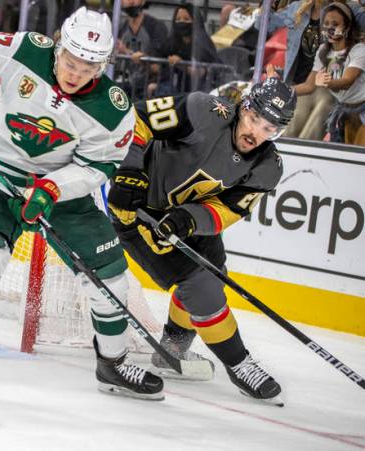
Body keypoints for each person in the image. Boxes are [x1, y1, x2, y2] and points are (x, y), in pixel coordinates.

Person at [0, 8, 164, 400]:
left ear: (103, 64)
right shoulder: (26, 51)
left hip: (63, 197)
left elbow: (97, 167)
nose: (75, 73)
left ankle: (112, 363)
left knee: (110, 280)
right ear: (57, 48)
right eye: (70, 61)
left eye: (88, 66)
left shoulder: (113, 109)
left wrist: (51, 189)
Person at [106, 77, 297, 405]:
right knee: (202, 287)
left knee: (213, 273)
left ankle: (172, 350)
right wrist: (130, 170)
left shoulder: (268, 167)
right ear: (244, 107)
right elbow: (136, 119)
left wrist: (188, 220)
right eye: (254, 119)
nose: (256, 133)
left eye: (269, 129)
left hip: (189, 218)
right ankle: (239, 363)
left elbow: (225, 211)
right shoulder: (203, 111)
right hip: (139, 209)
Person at [293, 2, 365, 145]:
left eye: (335, 24)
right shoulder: (322, 51)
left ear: (347, 27)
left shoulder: (359, 50)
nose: (330, 28)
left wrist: (327, 82)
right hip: (342, 111)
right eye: (326, 24)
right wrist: (281, 90)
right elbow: (308, 86)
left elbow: (346, 82)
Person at [156, 5, 222, 96]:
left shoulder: (202, 44)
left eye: (186, 19)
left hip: (200, 92)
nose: (181, 22)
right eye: (178, 19)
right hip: (177, 89)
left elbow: (201, 72)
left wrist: (181, 64)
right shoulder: (172, 42)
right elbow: (159, 64)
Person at [115, 0, 169, 99]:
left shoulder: (156, 26)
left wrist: (127, 52)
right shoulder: (121, 27)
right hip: (129, 84)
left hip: (152, 86)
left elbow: (159, 67)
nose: (131, 2)